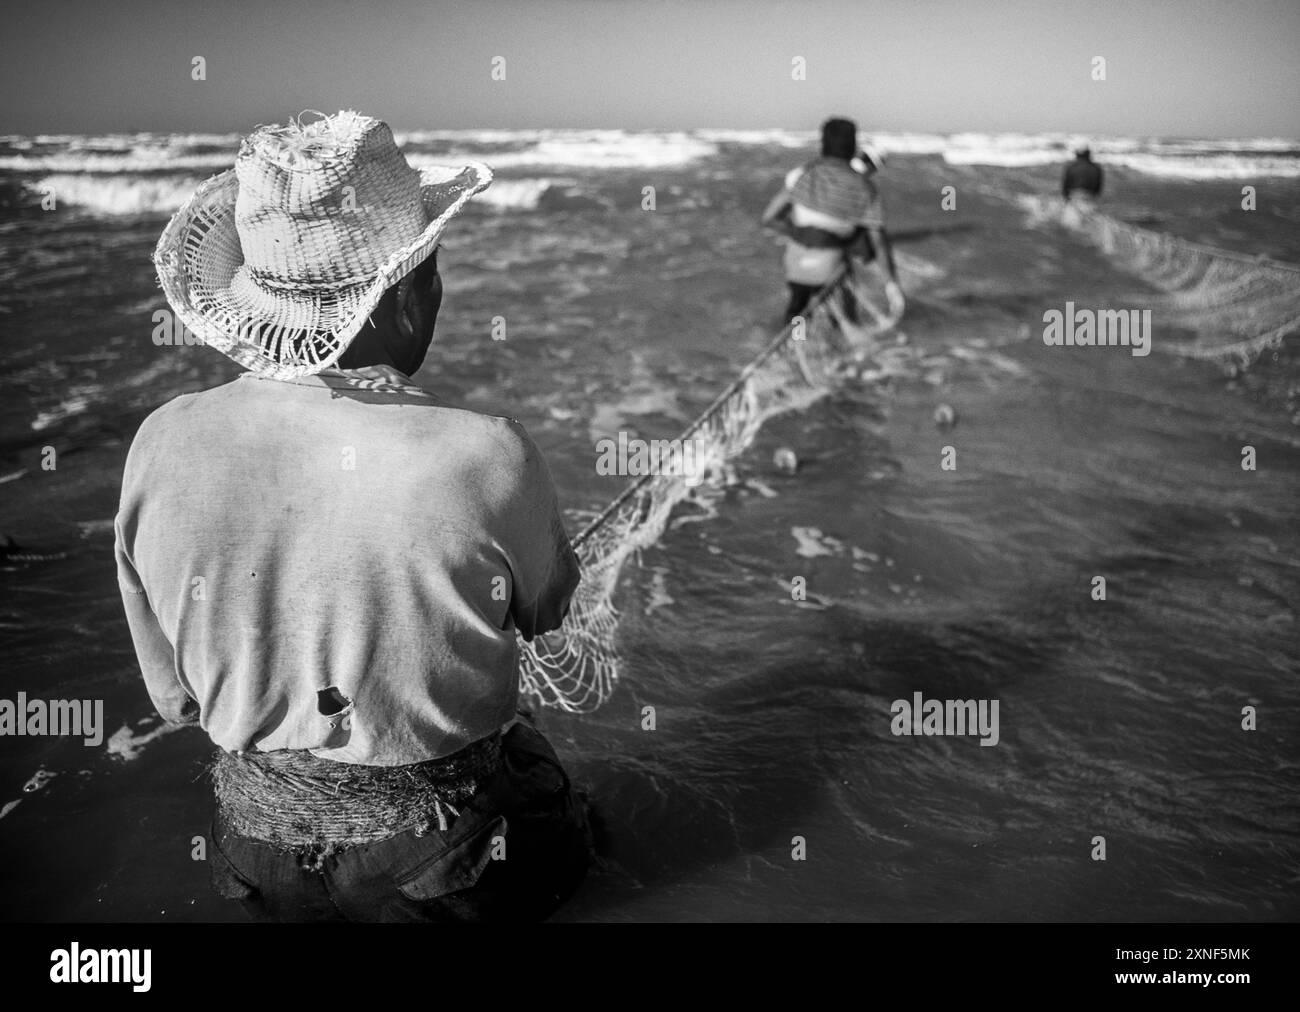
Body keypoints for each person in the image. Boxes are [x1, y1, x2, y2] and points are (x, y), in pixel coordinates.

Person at [114, 110, 589, 922]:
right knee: (578, 824)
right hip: (439, 853)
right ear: (402, 296)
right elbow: (546, 612)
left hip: (256, 852)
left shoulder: (159, 441)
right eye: (431, 271)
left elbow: (178, 701)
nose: (439, 289)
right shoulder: (487, 453)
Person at [761, 117, 904, 324]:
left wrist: (802, 234)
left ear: (823, 144)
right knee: (844, 318)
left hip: (796, 266)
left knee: (798, 308)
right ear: (854, 147)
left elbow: (768, 218)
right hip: (829, 269)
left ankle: (795, 339)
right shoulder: (865, 189)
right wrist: (892, 285)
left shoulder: (804, 175)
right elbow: (879, 244)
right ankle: (843, 347)